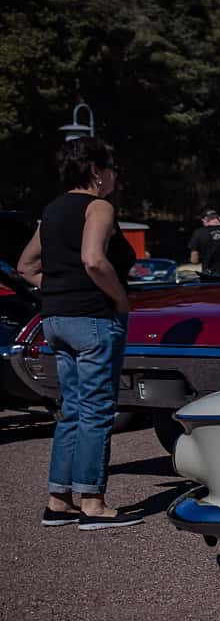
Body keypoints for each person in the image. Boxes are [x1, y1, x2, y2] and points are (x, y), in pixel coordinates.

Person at [15, 137, 143, 529]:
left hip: (55, 320)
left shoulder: (51, 211)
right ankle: (93, 502)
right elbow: (93, 258)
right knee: (97, 410)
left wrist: (56, 290)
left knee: (71, 409)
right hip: (93, 318)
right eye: (112, 168)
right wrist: (119, 299)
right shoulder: (98, 206)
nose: (115, 176)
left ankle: (58, 499)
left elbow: (26, 266)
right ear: (96, 172)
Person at [187, 208, 220, 275]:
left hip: (210, 276)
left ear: (205, 220)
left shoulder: (199, 233)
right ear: (219, 218)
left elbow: (194, 260)